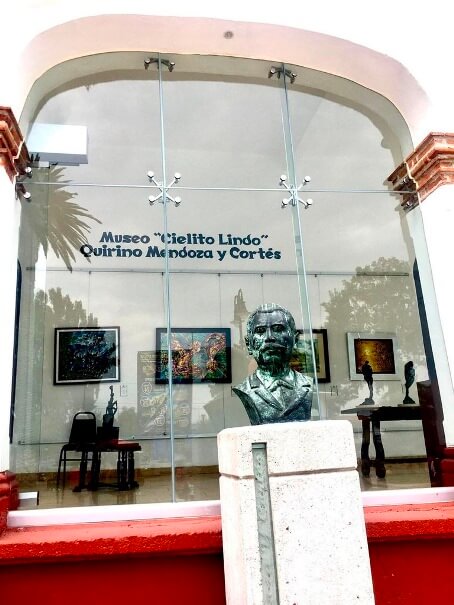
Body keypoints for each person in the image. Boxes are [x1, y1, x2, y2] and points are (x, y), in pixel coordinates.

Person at [232, 303, 313, 425]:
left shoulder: (308, 385)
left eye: (278, 329)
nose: (269, 337)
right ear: (249, 345)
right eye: (260, 331)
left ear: (295, 340)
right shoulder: (245, 389)